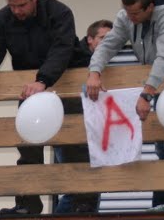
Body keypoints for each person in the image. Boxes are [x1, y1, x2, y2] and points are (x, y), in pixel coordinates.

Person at [0, 0, 93, 216]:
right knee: (28, 149)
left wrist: (42, 80)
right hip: (30, 89)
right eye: (12, 6)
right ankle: (27, 204)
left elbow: (62, 49)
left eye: (21, 5)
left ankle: (83, 201)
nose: (17, 11)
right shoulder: (2, 19)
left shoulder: (59, 12)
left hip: (64, 83)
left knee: (75, 146)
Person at [84, 0, 164, 212]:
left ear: (150, 7)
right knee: (161, 149)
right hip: (157, 84)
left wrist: (146, 95)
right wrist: (94, 72)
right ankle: (161, 204)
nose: (130, 18)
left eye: (135, 13)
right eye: (127, 12)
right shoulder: (125, 16)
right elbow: (108, 45)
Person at [53, 19, 113, 214]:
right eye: (103, 38)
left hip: (87, 130)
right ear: (89, 39)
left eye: (111, 39)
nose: (108, 43)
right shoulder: (75, 58)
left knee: (88, 186)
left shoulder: (101, 66)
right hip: (70, 128)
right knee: (79, 186)